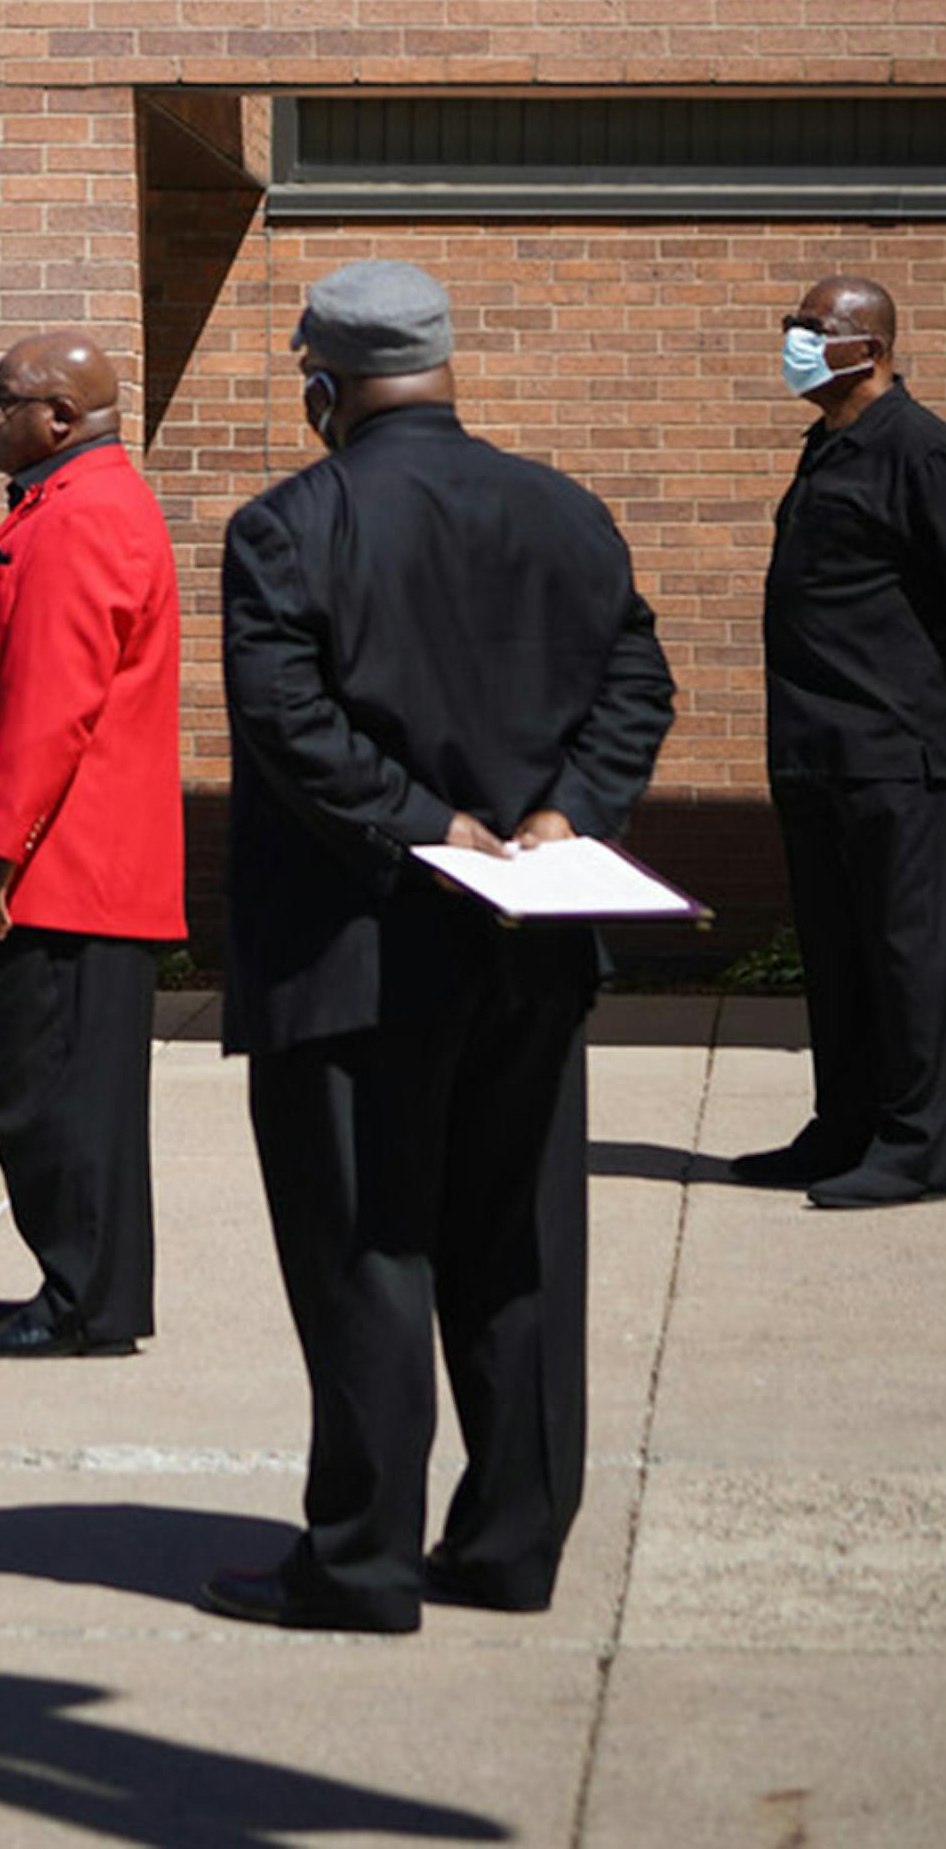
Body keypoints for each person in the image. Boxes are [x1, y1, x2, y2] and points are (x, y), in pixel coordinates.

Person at [209, 261, 673, 1633]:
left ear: (323, 388)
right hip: (535, 944)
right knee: (515, 1244)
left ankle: (359, 1562)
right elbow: (639, 678)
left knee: (369, 1253)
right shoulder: (568, 512)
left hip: (351, 957)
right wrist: (559, 812)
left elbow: (289, 719)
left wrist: (428, 826)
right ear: (446, 369)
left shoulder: (289, 526)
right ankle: (514, 1545)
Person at [0, 330, 186, 1357]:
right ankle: (82, 1288)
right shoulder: (73, 506)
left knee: (56, 1098)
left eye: (1, 400)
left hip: (52, 879)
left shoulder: (81, 520)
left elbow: (48, 708)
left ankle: (87, 1301)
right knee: (63, 1097)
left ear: (58, 417)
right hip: (64, 872)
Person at [731, 275, 946, 1209]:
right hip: (817, 747)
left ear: (869, 348)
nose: (793, 343)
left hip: (897, 748)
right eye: (792, 325)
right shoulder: (827, 447)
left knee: (908, 954)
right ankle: (846, 1127)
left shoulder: (923, 451)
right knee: (839, 952)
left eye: (811, 329)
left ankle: (917, 1149)